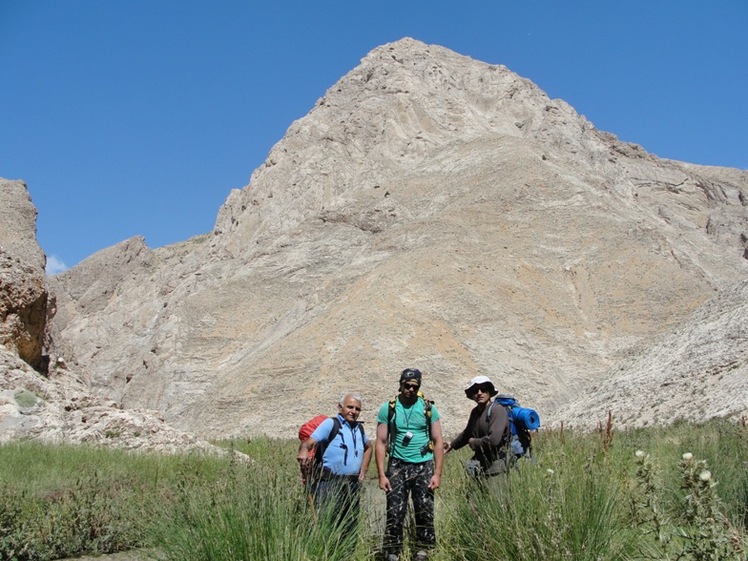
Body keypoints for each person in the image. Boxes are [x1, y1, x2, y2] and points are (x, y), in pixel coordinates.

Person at [375, 368, 444, 561]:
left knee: (424, 508)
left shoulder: (428, 408)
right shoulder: (388, 408)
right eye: (407, 385)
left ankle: (422, 550)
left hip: (424, 464)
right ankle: (393, 551)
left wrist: (437, 473)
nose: (411, 390)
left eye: (415, 386)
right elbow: (380, 442)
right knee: (395, 509)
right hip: (397, 464)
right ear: (400, 384)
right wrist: (382, 474)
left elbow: (438, 440)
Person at [297, 393, 372, 534]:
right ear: (340, 407)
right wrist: (303, 451)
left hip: (352, 484)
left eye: (357, 409)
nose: (353, 412)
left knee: (350, 525)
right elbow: (308, 443)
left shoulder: (359, 428)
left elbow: (369, 447)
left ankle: (348, 554)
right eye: (350, 407)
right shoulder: (331, 424)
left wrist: (364, 468)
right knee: (328, 524)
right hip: (330, 483)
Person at [444, 375, 512, 479]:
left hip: (496, 469)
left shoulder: (497, 410)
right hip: (480, 466)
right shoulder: (475, 412)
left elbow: (494, 440)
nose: (479, 393)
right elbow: (467, 433)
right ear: (472, 394)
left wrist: (474, 442)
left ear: (489, 392)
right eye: (475, 390)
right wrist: (452, 445)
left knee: (496, 496)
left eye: (483, 389)